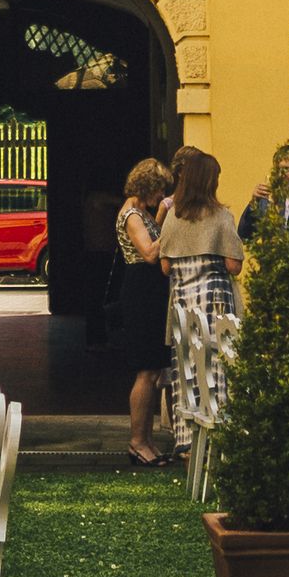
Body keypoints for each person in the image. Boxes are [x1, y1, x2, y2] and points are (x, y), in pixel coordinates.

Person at [113, 157, 175, 467]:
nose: (161, 195)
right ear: (147, 186)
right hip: (141, 292)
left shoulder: (143, 212)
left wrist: (162, 216)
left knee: (152, 370)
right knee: (145, 370)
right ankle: (137, 441)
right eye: (159, 189)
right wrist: (171, 222)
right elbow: (150, 253)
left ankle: (147, 439)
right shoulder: (132, 214)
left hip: (150, 292)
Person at [157, 145, 241, 335]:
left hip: (182, 306)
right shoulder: (222, 216)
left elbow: (165, 267)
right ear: (209, 182)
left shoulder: (172, 215)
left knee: (187, 361)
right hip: (216, 305)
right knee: (217, 362)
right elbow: (233, 266)